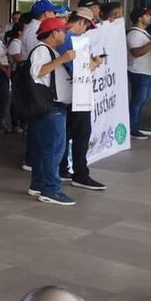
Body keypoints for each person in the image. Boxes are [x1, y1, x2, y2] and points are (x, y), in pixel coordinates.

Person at [26, 18, 76, 206]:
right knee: (53, 149)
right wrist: (63, 59)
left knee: (44, 148)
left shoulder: (49, 51)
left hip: (50, 107)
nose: (65, 34)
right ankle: (51, 189)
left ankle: (38, 184)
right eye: (63, 31)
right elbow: (37, 72)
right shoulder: (42, 50)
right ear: (54, 33)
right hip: (49, 107)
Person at [57, 11, 106, 190]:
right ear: (82, 22)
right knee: (81, 134)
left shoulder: (65, 38)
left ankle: (63, 168)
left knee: (68, 133)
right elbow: (77, 71)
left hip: (69, 94)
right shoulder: (71, 40)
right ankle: (80, 174)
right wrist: (94, 63)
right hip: (77, 94)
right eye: (86, 26)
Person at [126, 7, 151, 140]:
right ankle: (133, 127)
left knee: (142, 100)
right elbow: (136, 52)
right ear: (140, 18)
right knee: (138, 100)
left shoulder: (142, 33)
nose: (150, 17)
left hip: (146, 72)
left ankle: (137, 124)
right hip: (139, 71)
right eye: (147, 15)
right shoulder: (134, 34)